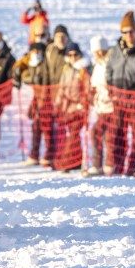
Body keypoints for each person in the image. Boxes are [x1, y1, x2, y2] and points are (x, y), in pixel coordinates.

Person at [106, 10, 135, 176]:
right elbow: (109, 69)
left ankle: (131, 168)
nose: (128, 35)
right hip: (119, 97)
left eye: (131, 31)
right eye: (124, 32)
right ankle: (117, 167)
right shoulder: (116, 49)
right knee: (117, 134)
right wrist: (111, 88)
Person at [13, 42, 53, 166]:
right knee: (35, 127)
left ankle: (49, 155)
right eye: (33, 51)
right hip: (37, 98)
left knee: (47, 128)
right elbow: (22, 72)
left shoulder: (46, 64)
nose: (36, 54)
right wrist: (19, 76)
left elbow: (44, 79)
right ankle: (34, 154)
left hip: (48, 98)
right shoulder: (29, 63)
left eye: (38, 51)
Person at [52, 42, 89, 171]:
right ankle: (75, 160)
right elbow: (62, 89)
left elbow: (87, 88)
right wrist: (57, 104)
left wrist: (83, 104)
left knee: (73, 133)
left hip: (79, 107)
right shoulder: (67, 69)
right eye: (70, 55)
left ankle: (66, 162)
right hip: (67, 108)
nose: (73, 57)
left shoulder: (83, 70)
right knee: (71, 135)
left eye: (75, 55)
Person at [87, 36, 113, 176]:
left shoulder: (109, 64)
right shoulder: (97, 66)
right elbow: (94, 84)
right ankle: (97, 164)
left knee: (109, 136)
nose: (97, 54)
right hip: (100, 107)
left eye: (100, 51)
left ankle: (110, 164)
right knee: (96, 133)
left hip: (110, 107)